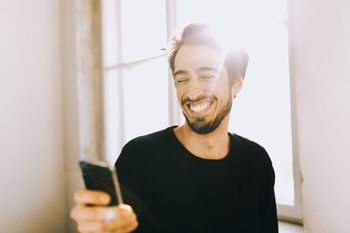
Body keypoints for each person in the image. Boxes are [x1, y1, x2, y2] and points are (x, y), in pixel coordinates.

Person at [71, 23, 278, 233]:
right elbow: (114, 223)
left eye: (207, 76)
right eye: (181, 79)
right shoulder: (140, 157)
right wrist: (99, 226)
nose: (192, 93)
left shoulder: (257, 161)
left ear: (237, 84)